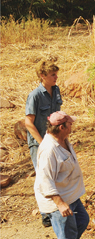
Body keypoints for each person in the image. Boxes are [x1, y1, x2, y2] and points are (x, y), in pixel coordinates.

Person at [34, 111, 91, 239]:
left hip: (69, 193)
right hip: (57, 199)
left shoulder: (63, 140)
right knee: (67, 236)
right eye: (69, 124)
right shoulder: (49, 149)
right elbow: (45, 181)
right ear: (61, 127)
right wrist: (59, 203)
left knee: (82, 220)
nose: (72, 126)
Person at [25, 60, 63, 227]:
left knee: (56, 173)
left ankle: (56, 207)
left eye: (56, 74)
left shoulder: (56, 90)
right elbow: (28, 123)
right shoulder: (35, 95)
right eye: (52, 74)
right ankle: (45, 214)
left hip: (53, 139)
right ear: (42, 76)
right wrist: (42, 144)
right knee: (42, 176)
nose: (56, 77)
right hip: (39, 143)